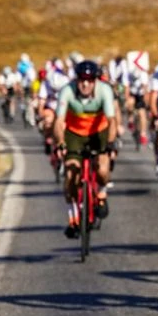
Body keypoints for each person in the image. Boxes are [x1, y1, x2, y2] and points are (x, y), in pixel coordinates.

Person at [54, 60, 118, 238]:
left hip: (99, 132)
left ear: (95, 81)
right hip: (74, 134)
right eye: (82, 79)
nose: (85, 84)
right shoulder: (67, 91)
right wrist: (60, 142)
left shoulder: (104, 91)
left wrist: (110, 143)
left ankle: (102, 195)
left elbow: (112, 121)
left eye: (90, 80)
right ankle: (73, 216)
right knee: (70, 175)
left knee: (102, 169)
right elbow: (59, 122)